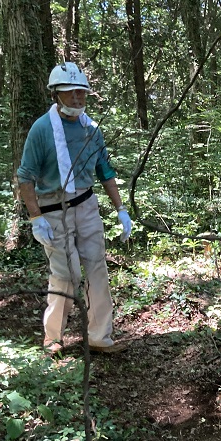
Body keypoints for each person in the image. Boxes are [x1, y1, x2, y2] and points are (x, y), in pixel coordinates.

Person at [17, 62, 132, 354]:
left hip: (87, 205)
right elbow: (26, 177)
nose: (77, 98)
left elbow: (105, 170)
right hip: (53, 209)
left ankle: (99, 337)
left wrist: (121, 210)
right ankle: (53, 337)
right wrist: (36, 218)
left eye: (81, 92)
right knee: (66, 275)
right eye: (70, 93)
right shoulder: (42, 129)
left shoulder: (91, 129)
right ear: (57, 93)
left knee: (97, 269)